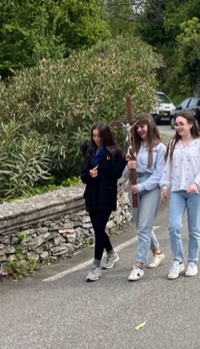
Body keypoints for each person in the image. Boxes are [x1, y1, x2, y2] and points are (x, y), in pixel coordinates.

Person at [160, 112, 200, 279]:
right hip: (178, 191)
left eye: (181, 124)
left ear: (190, 124)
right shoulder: (174, 143)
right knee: (174, 226)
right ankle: (177, 261)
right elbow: (168, 165)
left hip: (196, 192)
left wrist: (197, 183)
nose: (178, 127)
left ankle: (192, 261)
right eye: (176, 124)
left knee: (194, 229)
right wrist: (164, 186)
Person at [80, 122, 127, 282]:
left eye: (99, 136)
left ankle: (95, 267)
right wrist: (89, 175)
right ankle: (111, 253)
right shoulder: (90, 152)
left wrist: (124, 161)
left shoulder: (114, 153)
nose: (96, 139)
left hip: (106, 196)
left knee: (99, 229)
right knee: (97, 229)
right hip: (92, 196)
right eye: (94, 136)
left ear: (105, 135)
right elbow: (83, 176)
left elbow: (116, 175)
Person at [123, 114, 166, 281]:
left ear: (150, 126)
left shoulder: (160, 148)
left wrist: (141, 186)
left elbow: (158, 174)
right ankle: (157, 251)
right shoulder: (133, 147)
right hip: (133, 186)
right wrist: (129, 166)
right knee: (140, 224)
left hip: (150, 188)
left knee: (144, 226)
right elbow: (125, 174)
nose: (140, 130)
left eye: (143, 126)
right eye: (138, 127)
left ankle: (139, 265)